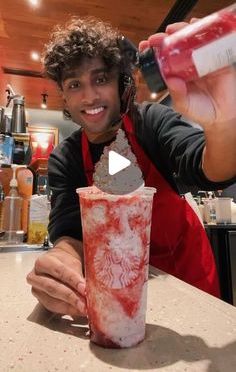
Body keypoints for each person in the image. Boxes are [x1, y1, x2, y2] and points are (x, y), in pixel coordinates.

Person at [26, 16, 236, 317]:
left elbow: (211, 170)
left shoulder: (150, 123)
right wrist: (63, 265)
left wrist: (225, 123)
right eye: (75, 84)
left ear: (121, 83)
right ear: (65, 97)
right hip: (117, 298)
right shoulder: (67, 158)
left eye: (100, 79)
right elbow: (70, 233)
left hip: (189, 289)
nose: (89, 96)